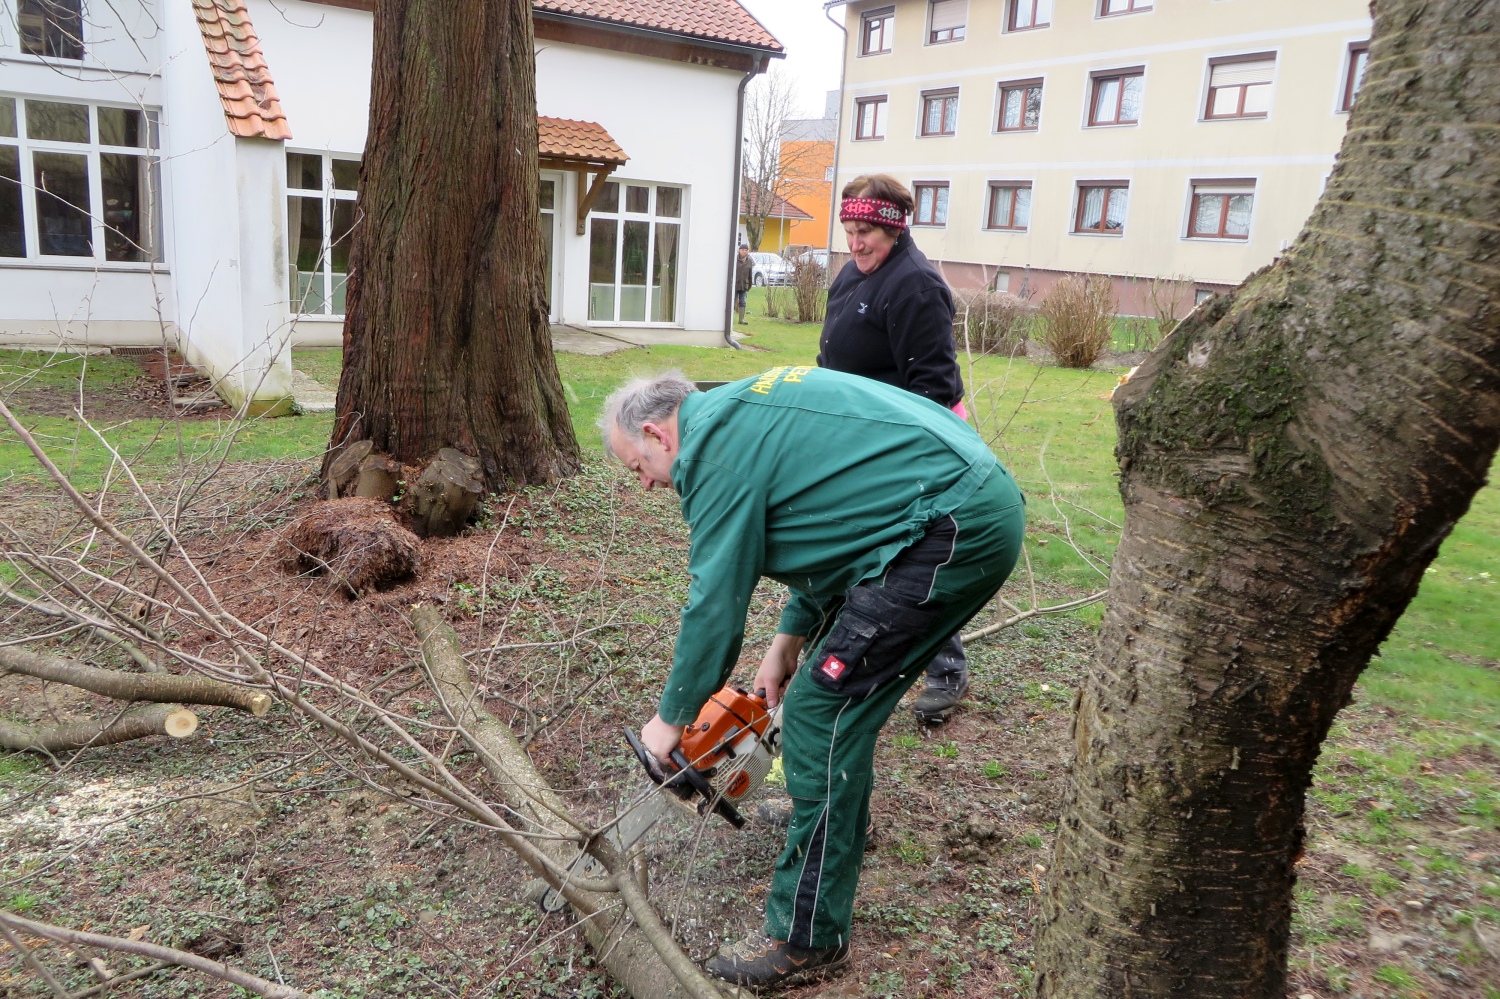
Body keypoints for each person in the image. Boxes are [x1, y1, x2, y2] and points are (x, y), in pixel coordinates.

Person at [602, 368, 1025, 990]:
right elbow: (829, 522)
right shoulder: (737, 414)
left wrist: (670, 721)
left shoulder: (715, 454)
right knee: (826, 699)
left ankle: (809, 940)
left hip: (952, 526)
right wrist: (787, 641)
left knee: (820, 713)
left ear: (655, 434)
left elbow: (716, 601)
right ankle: (836, 821)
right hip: (943, 509)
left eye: (637, 465)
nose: (642, 483)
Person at [818, 173, 973, 725]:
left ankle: (945, 669)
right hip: (858, 438)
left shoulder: (914, 285)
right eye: (849, 230)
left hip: (910, 445)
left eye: (866, 232)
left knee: (908, 554)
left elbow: (934, 387)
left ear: (894, 227)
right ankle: (838, 634)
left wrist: (899, 459)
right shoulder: (854, 272)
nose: (855, 243)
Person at [734, 244, 753, 325]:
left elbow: (750, 274)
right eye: (743, 250)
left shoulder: (749, 261)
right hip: (734, 285)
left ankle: (741, 319)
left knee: (743, 302)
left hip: (744, 284)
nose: (744, 251)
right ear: (739, 250)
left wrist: (749, 285)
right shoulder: (734, 259)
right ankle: (729, 320)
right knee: (732, 302)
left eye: (746, 250)